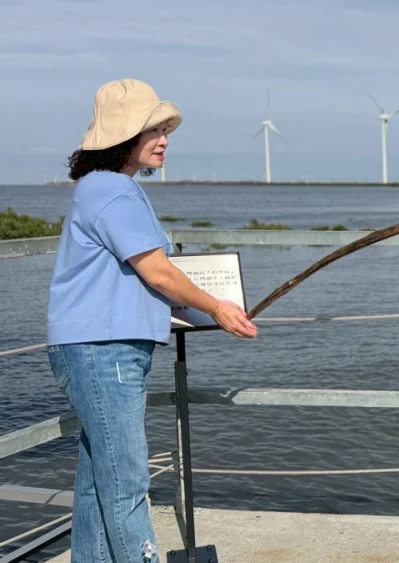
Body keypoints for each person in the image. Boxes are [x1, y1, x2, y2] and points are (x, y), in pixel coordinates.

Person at [45, 78, 257, 563]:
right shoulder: (114, 192)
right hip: (104, 349)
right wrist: (218, 307)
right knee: (127, 480)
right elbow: (158, 271)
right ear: (124, 137)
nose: (164, 139)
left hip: (94, 346)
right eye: (153, 130)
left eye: (165, 130)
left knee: (99, 474)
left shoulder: (103, 188)